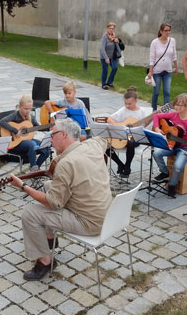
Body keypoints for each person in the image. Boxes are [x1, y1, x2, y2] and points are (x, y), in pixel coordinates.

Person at [9, 118, 112, 281]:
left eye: (52, 134)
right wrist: (79, 140)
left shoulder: (66, 163)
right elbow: (103, 139)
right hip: (108, 214)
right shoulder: (93, 145)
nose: (50, 139)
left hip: (89, 222)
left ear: (64, 134)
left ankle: (45, 261)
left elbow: (53, 202)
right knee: (49, 184)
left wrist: (23, 186)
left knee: (30, 214)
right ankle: (50, 240)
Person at [151, 94, 187, 199]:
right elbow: (156, 116)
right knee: (156, 153)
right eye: (176, 104)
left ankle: (172, 185)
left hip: (185, 148)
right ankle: (164, 172)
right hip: (172, 144)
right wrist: (157, 128)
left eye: (181, 105)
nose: (177, 107)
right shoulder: (174, 115)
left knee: (177, 166)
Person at [106, 87, 152, 178]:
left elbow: (143, 126)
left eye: (129, 104)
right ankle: (120, 164)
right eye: (125, 103)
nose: (127, 106)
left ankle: (127, 166)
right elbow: (109, 119)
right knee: (106, 145)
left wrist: (151, 118)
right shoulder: (123, 110)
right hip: (122, 136)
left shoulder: (141, 112)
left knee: (130, 141)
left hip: (135, 137)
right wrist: (117, 125)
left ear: (136, 101)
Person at [0, 95, 51, 171]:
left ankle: (36, 167)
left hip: (28, 141)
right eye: (25, 108)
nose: (28, 111)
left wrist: (49, 127)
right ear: (19, 107)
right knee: (32, 144)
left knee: (46, 147)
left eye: (30, 109)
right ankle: (33, 166)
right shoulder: (15, 115)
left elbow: (38, 127)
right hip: (16, 143)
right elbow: (2, 121)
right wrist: (15, 131)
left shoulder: (31, 117)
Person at [147, 23, 178, 111]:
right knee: (156, 92)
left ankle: (166, 112)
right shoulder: (155, 42)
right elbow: (152, 58)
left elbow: (174, 55)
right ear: (161, 31)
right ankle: (153, 110)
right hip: (157, 71)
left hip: (168, 71)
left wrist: (176, 67)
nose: (168, 32)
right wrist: (150, 71)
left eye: (169, 30)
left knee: (167, 92)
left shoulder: (172, 41)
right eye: (166, 30)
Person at [99, 22, 123, 89]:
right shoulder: (104, 37)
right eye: (110, 28)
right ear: (107, 28)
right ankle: (103, 84)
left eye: (113, 28)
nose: (111, 30)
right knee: (105, 69)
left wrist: (117, 41)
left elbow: (117, 46)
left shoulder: (114, 36)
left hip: (112, 56)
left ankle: (109, 82)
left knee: (115, 68)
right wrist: (106, 58)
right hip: (104, 56)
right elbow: (102, 49)